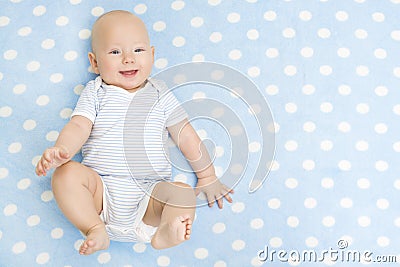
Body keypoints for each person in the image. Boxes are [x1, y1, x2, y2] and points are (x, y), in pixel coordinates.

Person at [35, 10, 233, 255]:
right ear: (95, 62)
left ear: (152, 55)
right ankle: (94, 228)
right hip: (101, 193)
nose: (128, 59)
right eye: (115, 52)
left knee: (181, 192)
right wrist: (63, 150)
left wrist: (207, 175)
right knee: (65, 175)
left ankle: (167, 230)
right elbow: (78, 126)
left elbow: (185, 134)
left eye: (138, 51)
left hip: (149, 195)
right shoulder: (96, 92)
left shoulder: (160, 93)